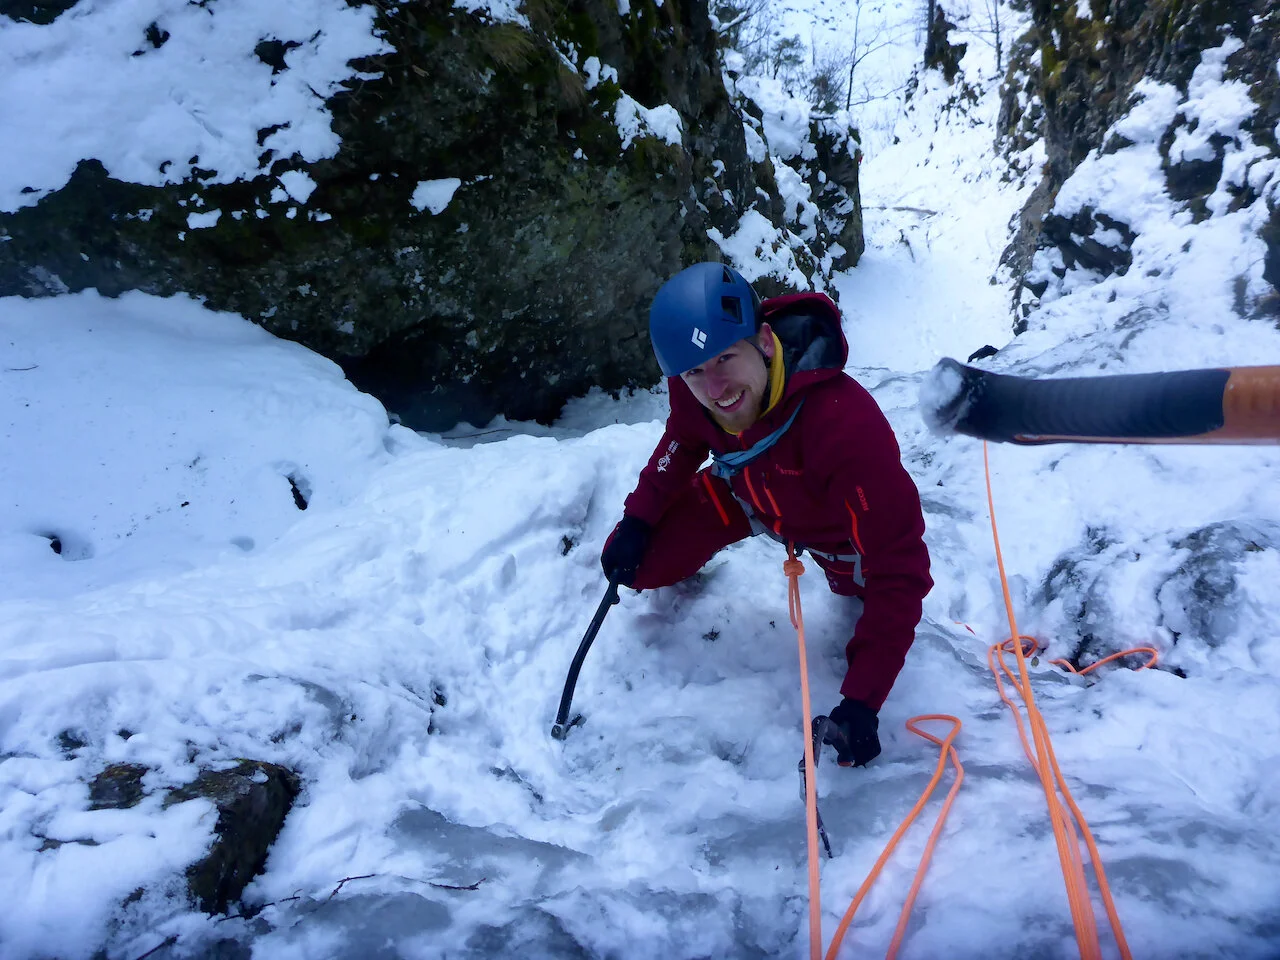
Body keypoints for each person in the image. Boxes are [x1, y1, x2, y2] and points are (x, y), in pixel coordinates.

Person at [601, 262, 932, 767]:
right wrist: (637, 521)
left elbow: (900, 569)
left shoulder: (846, 429)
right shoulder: (694, 386)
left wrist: (861, 703)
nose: (714, 388)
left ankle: (844, 584)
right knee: (637, 564)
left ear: (766, 343)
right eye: (694, 373)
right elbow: (683, 440)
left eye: (725, 359)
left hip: (835, 534)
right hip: (748, 494)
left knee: (867, 601)